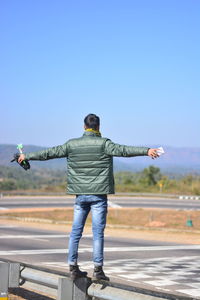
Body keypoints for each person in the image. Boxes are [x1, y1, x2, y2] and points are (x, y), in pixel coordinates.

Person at [18, 113, 159, 281]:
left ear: (84, 127)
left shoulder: (72, 144)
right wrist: (146, 151)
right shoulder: (105, 144)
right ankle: (98, 270)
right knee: (97, 233)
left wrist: (27, 156)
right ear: (98, 127)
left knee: (75, 232)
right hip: (99, 195)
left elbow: (49, 153)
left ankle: (73, 266)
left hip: (80, 195)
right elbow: (124, 150)